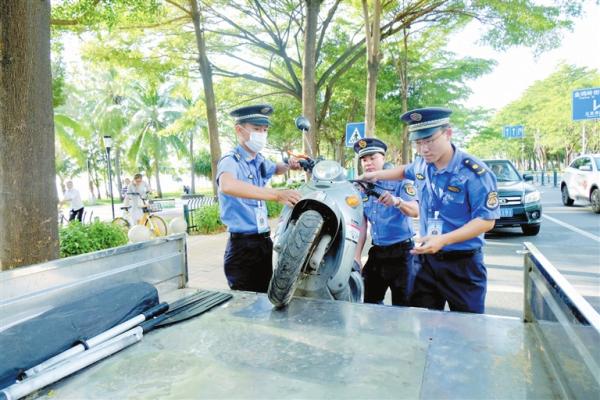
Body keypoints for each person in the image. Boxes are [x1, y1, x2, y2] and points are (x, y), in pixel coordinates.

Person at [361, 107, 500, 314]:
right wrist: (376, 175)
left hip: (462, 264)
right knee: (424, 323)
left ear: (448, 134)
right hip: (426, 261)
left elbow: (486, 221)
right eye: (418, 142)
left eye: (429, 140)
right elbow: (403, 171)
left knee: (467, 330)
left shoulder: (474, 173)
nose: (424, 149)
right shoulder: (422, 165)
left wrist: (443, 240)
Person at [216, 104, 302, 293]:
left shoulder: (258, 159)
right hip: (242, 246)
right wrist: (277, 195)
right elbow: (227, 185)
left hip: (263, 242)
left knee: (265, 296)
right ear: (240, 130)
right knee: (245, 304)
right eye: (256, 129)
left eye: (264, 130)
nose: (262, 134)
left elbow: (275, 168)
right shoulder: (231, 160)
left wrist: (289, 164)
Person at [353, 138, 419, 306]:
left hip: (403, 253)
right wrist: (357, 256)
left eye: (372, 158)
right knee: (370, 303)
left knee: (403, 306)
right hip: (377, 252)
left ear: (383, 158)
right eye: (364, 160)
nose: (368, 163)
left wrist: (397, 202)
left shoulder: (400, 181)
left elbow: (415, 210)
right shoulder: (361, 187)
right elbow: (362, 225)